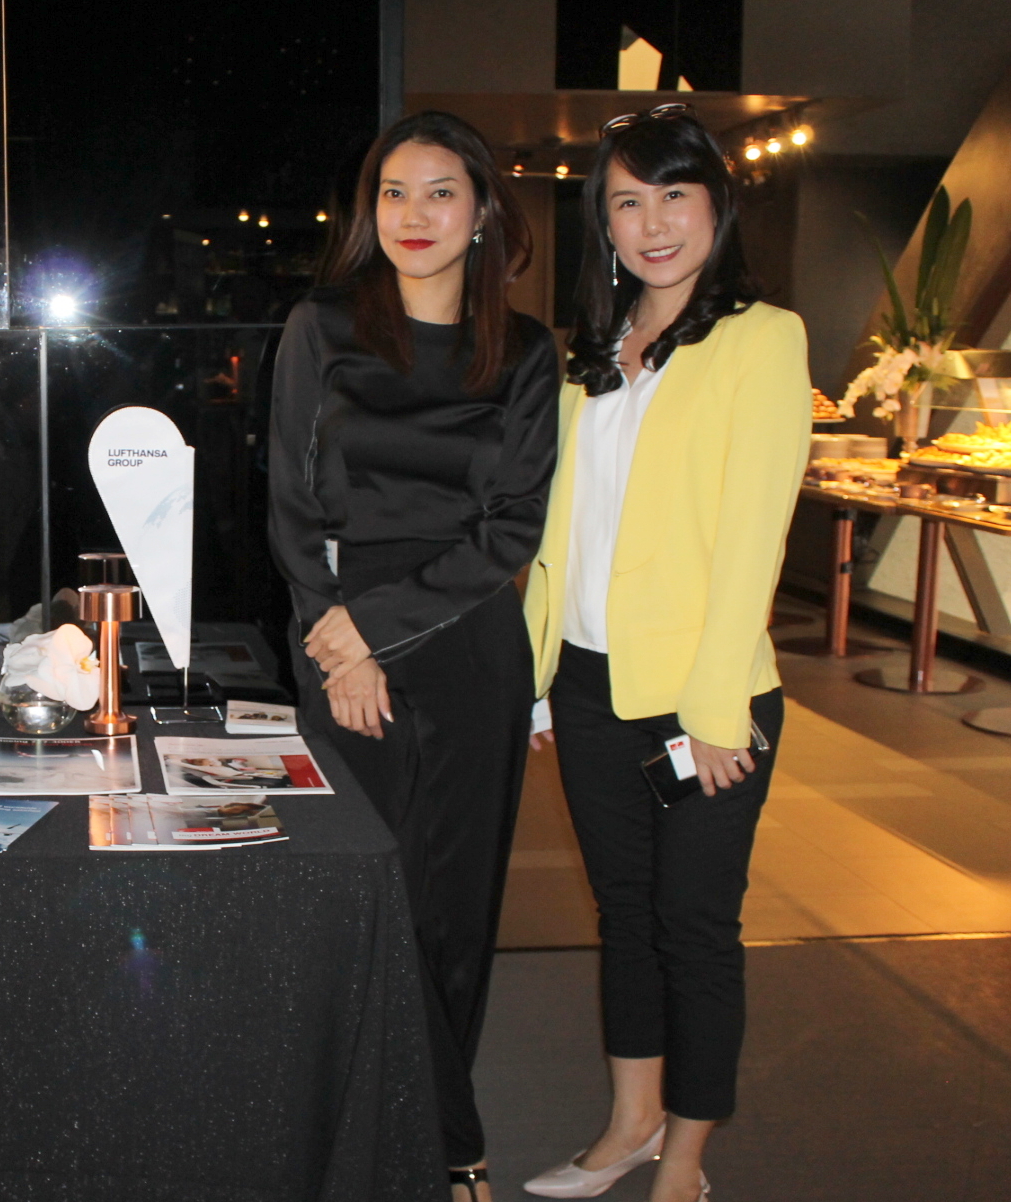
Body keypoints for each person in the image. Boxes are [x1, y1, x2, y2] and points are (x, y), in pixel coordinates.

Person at [519, 105, 810, 1202]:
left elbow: (752, 538)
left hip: (704, 699)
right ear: (602, 222)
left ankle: (684, 1153)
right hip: (589, 682)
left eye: (673, 196)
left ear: (717, 204)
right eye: (626, 202)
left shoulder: (761, 337)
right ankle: (630, 1122)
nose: (652, 224)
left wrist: (717, 710)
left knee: (694, 926)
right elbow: (558, 534)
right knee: (625, 916)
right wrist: (539, 682)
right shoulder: (589, 354)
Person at [268, 110, 559, 1202]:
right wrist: (338, 641)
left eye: (441, 191)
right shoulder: (323, 326)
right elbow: (290, 505)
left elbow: (512, 527)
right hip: (336, 630)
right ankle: (442, 1132)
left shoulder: (525, 351)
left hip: (467, 635)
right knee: (366, 886)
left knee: (457, 904)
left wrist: (372, 629)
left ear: (482, 213)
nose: (414, 214)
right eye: (394, 192)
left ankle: (434, 1135)